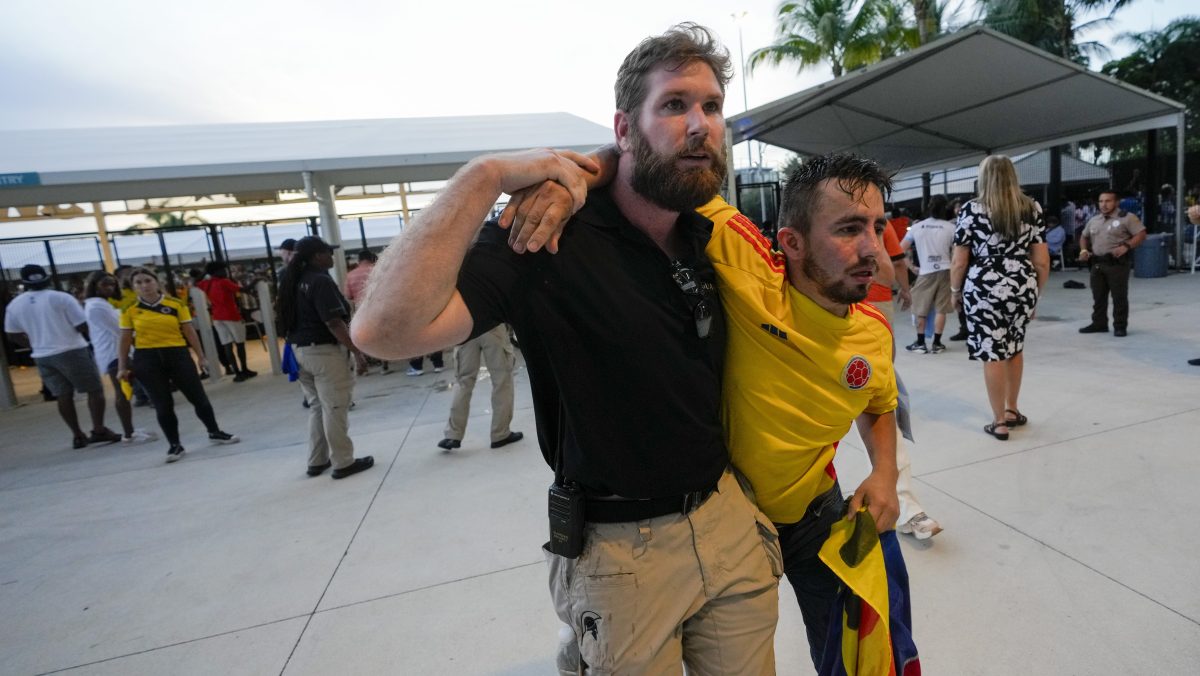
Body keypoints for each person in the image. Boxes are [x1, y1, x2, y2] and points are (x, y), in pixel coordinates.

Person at [352, 24, 781, 674]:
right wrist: (486, 175)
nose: (700, 124)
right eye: (674, 105)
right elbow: (383, 331)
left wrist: (594, 166)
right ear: (625, 127)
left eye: (712, 106)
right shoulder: (547, 236)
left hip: (728, 525)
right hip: (622, 555)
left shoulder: (709, 232)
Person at [950, 155, 1050, 440]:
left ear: (984, 178)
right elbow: (1042, 261)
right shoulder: (1031, 208)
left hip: (983, 286)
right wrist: (1035, 295)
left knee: (992, 351)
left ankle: (999, 422)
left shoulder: (971, 209)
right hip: (1022, 284)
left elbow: (959, 260)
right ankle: (1012, 409)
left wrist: (955, 291)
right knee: (1015, 348)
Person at [117, 267, 240, 463]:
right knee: (163, 405)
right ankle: (174, 445)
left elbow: (189, 331)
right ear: (133, 287)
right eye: (138, 283)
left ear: (156, 282)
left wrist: (201, 357)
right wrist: (122, 366)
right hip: (147, 359)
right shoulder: (129, 309)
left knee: (198, 397)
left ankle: (214, 431)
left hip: (177, 354)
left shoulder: (175, 304)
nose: (144, 286)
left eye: (147, 281)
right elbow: (124, 339)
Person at [277, 236, 374, 480]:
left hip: (299, 352)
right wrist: (357, 351)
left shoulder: (292, 280)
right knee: (335, 407)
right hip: (323, 354)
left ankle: (317, 460)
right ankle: (343, 462)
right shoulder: (319, 281)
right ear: (317, 256)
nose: (331, 256)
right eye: (328, 252)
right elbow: (333, 322)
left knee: (317, 407)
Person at [4, 264, 122, 449]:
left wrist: (34, 344)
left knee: (63, 394)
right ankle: (98, 429)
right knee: (94, 390)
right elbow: (81, 325)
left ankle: (77, 435)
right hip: (71, 349)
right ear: (46, 278)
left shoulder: (15, 304)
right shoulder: (61, 297)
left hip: (42, 354)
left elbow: (12, 334)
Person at [82, 271, 157, 444]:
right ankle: (129, 434)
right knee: (122, 392)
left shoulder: (100, 304)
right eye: (105, 284)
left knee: (125, 391)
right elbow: (121, 328)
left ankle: (130, 431)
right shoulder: (97, 306)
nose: (109, 288)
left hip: (116, 351)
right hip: (114, 353)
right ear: (94, 286)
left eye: (112, 284)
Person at [436, 324, 523, 451]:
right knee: (502, 381)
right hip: (492, 326)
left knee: (463, 383)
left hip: (465, 328)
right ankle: (500, 434)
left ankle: (453, 435)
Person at [1077, 190, 1147, 337]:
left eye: (1108, 201)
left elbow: (1141, 234)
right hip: (1097, 263)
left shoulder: (1127, 218)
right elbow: (1084, 236)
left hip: (1117, 264)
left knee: (1119, 297)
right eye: (1101, 201)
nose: (1104, 204)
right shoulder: (1094, 220)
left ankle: (1120, 326)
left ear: (1116, 202)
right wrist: (1083, 250)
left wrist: (1126, 246)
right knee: (1098, 296)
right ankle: (1099, 323)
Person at [902, 194, 956, 354]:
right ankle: (937, 344)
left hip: (925, 271)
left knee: (920, 307)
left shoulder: (917, 227)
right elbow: (957, 252)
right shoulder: (951, 227)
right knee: (941, 308)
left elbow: (899, 250)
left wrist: (911, 267)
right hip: (946, 270)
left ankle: (920, 343)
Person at [196, 262, 257, 381]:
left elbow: (196, 282)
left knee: (227, 345)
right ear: (216, 271)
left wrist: (206, 272)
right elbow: (244, 289)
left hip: (217, 318)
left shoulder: (206, 283)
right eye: (223, 270)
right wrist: (256, 280)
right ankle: (244, 369)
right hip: (232, 316)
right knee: (240, 344)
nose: (225, 272)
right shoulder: (224, 282)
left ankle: (237, 373)